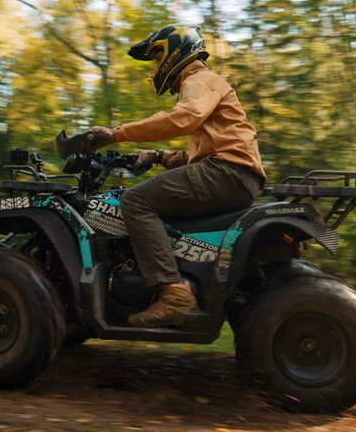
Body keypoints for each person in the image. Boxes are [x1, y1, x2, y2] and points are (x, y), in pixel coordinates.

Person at [89, 24, 266, 328]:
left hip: (226, 173)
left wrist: (115, 135)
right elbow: (205, 148)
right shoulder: (206, 84)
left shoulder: (200, 79)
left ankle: (173, 291)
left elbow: (184, 118)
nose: (155, 68)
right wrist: (158, 157)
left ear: (174, 52)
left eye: (156, 58)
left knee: (135, 201)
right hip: (230, 173)